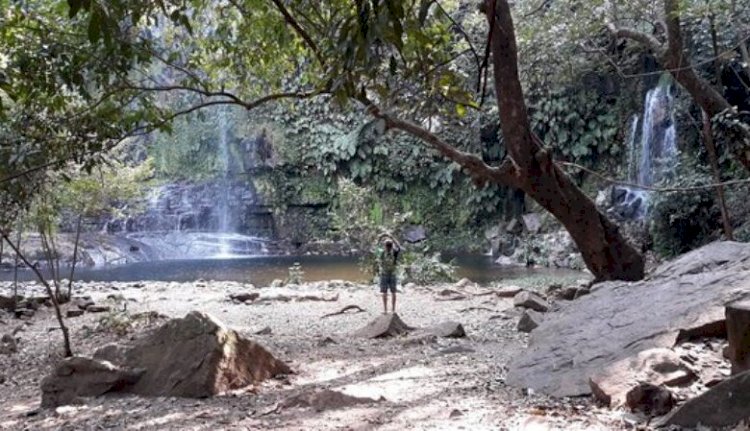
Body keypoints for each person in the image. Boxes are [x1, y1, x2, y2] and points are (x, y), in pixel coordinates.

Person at [377, 233, 401, 314]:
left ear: (385, 246)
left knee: (384, 293)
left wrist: (380, 237)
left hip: (384, 274)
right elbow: (399, 247)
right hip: (393, 274)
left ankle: (385, 310)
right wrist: (392, 237)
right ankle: (393, 310)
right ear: (391, 245)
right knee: (393, 292)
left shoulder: (382, 253)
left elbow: (376, 247)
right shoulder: (394, 252)